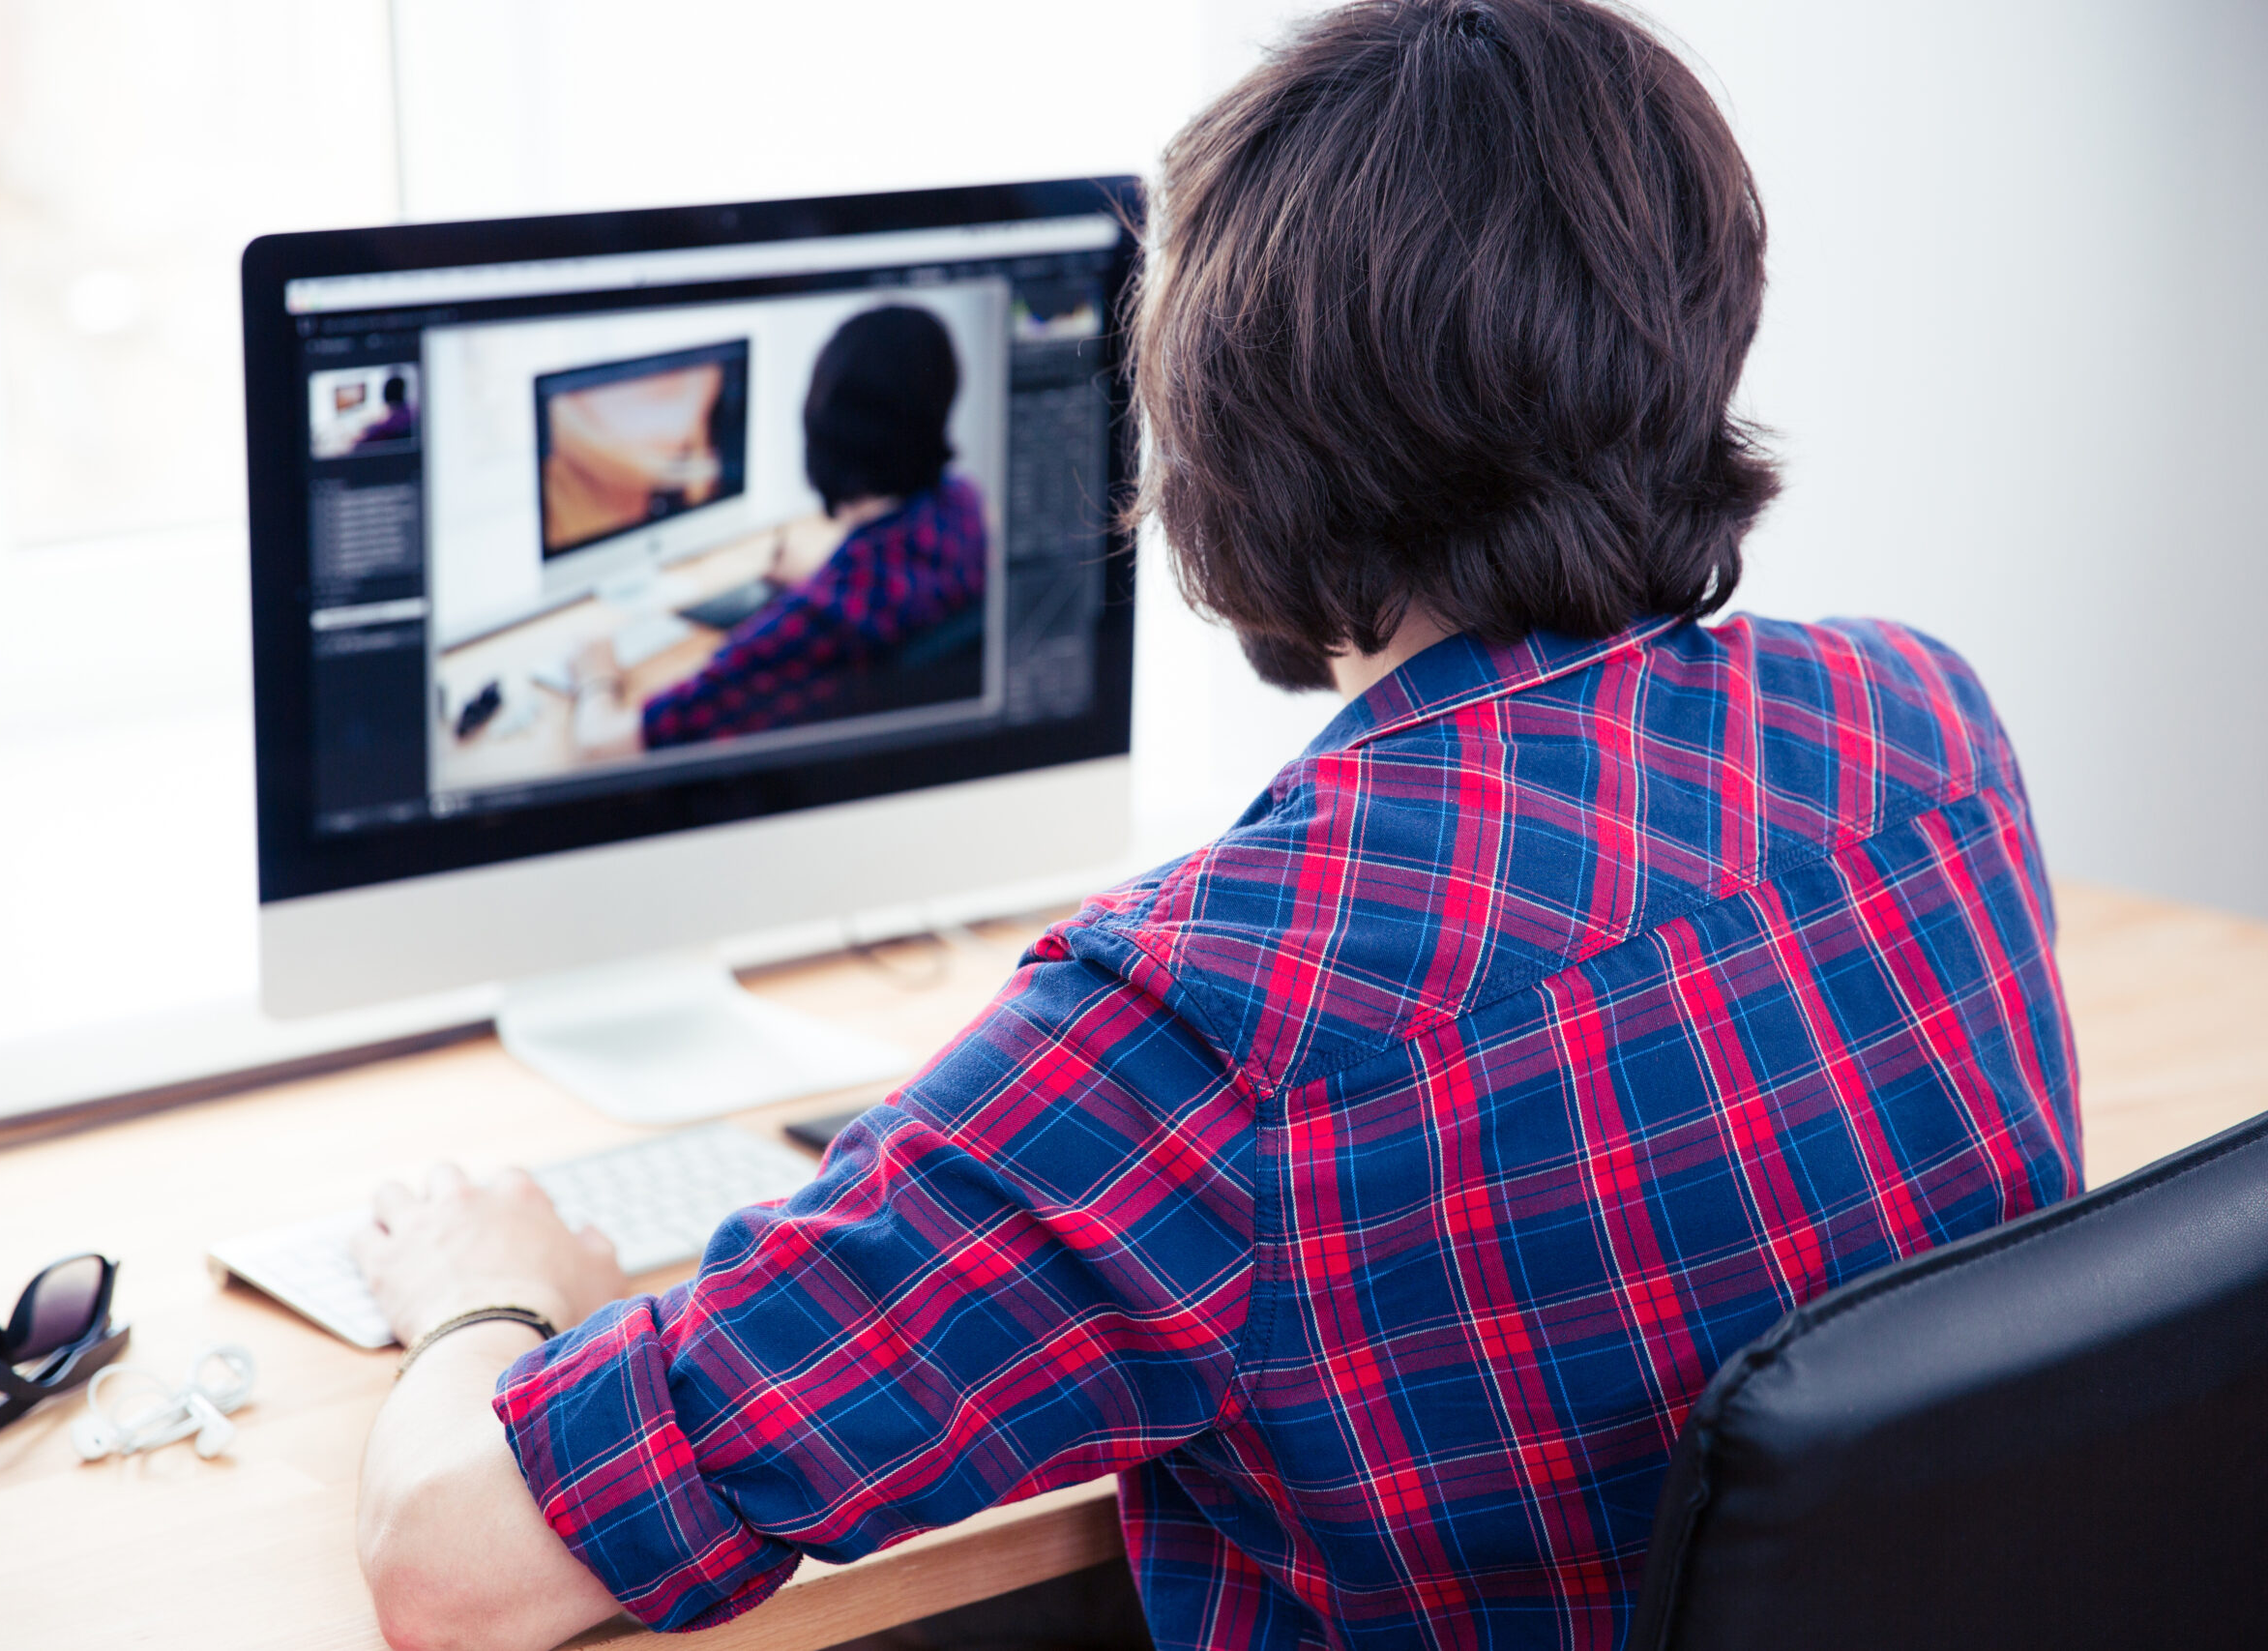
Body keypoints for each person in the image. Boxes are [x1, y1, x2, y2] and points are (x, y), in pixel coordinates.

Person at [350, 4, 2081, 1648]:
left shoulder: (1199, 1036)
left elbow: (457, 1566)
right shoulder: (1920, 729)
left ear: (1228, 434)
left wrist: (482, 1296)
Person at [571, 305, 988, 758]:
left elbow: (608, 746)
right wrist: (820, 579)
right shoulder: (964, 506)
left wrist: (597, 678)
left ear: (822, 426)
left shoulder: (816, 624)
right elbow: (887, 584)